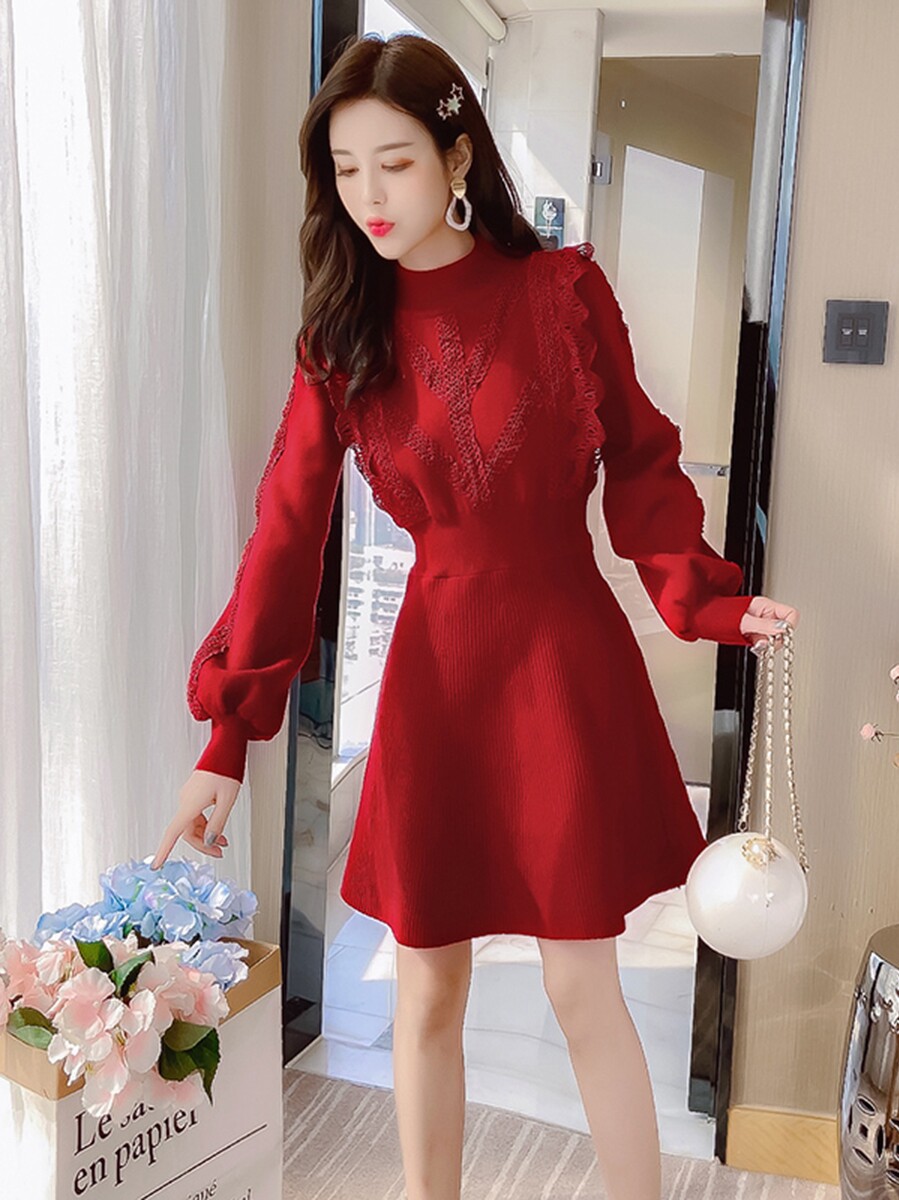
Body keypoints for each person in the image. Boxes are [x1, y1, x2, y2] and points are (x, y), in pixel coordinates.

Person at [151, 31, 799, 1200]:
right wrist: (226, 738)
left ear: (456, 156)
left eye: (393, 162)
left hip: (557, 657)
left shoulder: (561, 293)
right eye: (345, 169)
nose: (368, 195)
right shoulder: (339, 338)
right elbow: (286, 532)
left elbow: (641, 460)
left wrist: (702, 597)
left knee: (577, 983)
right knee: (426, 986)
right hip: (436, 668)